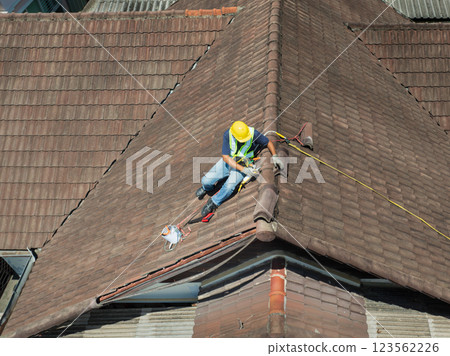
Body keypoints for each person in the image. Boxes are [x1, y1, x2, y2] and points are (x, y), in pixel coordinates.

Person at [196, 121, 284, 216]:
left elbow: (268, 142)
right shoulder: (228, 135)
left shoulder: (252, 133)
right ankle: (207, 188)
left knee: (229, 186)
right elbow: (225, 157)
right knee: (206, 181)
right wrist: (243, 170)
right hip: (230, 161)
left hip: (244, 163)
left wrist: (274, 156)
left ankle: (214, 202)